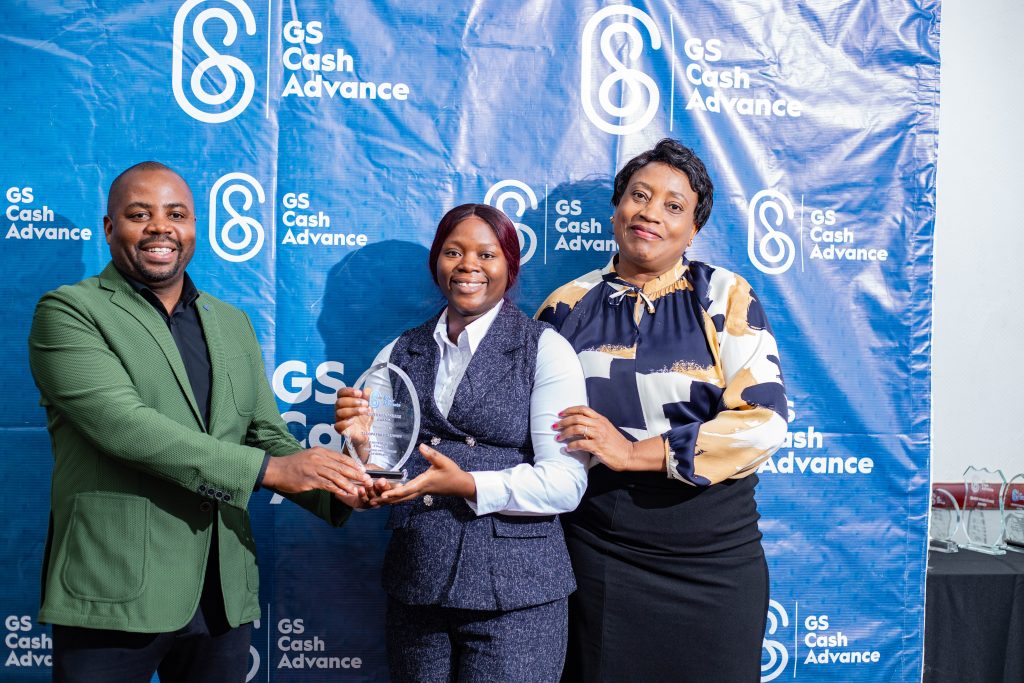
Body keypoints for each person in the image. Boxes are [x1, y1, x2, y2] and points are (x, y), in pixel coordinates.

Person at [27, 161, 371, 683]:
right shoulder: (70, 311)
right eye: (139, 215)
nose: (160, 227)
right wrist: (269, 471)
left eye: (176, 214)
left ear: (193, 227)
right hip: (113, 588)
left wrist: (344, 479)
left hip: (221, 595)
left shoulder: (231, 322)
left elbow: (266, 434)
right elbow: (125, 426)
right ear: (109, 228)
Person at [537, 139, 789, 682]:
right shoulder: (564, 306)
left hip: (714, 558)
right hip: (599, 552)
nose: (650, 212)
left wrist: (634, 452)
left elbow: (762, 422)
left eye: (673, 206)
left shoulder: (725, 295)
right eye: (639, 195)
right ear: (616, 209)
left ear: (693, 229)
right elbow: (524, 423)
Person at [335, 203, 588, 682]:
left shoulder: (545, 349)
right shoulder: (398, 352)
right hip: (418, 584)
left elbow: (565, 483)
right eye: (453, 252)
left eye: (486, 254)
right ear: (437, 262)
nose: (468, 265)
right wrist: (361, 450)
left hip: (518, 595)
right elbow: (379, 472)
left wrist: (468, 484)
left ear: (509, 266)